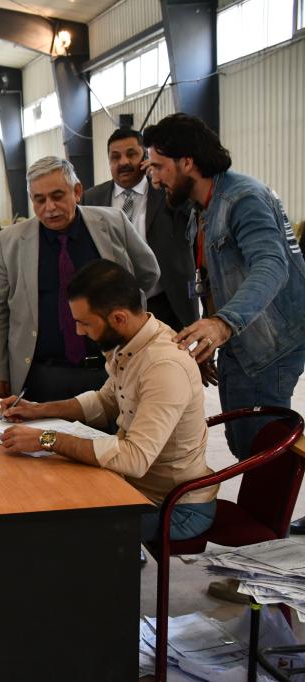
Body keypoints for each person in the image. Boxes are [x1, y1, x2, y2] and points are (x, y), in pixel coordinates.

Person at [143, 114, 305, 547]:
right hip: (240, 339)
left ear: (187, 162)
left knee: (264, 451)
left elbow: (271, 265)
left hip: (269, 343)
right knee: (245, 443)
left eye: (158, 166)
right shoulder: (203, 207)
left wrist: (223, 323)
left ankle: (267, 554)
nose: (153, 178)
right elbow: (211, 279)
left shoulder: (243, 199)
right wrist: (212, 337)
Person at [0, 260, 217, 541]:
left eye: (85, 323)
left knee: (57, 528)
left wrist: (47, 439)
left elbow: (134, 458)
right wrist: (37, 410)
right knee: (43, 496)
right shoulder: (132, 341)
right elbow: (104, 403)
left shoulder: (164, 367)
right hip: (134, 488)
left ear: (118, 318)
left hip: (173, 507)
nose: (79, 332)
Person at [0, 156, 160, 402]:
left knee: (115, 428)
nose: (50, 207)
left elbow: (148, 272)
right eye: (39, 200)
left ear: (77, 192)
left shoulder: (113, 222)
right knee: (42, 429)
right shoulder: (8, 242)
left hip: (110, 371)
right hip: (41, 376)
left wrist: (126, 307)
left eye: (57, 196)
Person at [81, 127, 198, 331]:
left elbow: (194, 214)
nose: (123, 162)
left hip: (167, 302)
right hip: (112, 306)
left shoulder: (166, 190)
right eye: (115, 157)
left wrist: (161, 177)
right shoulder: (91, 199)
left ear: (145, 157)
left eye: (131, 154)